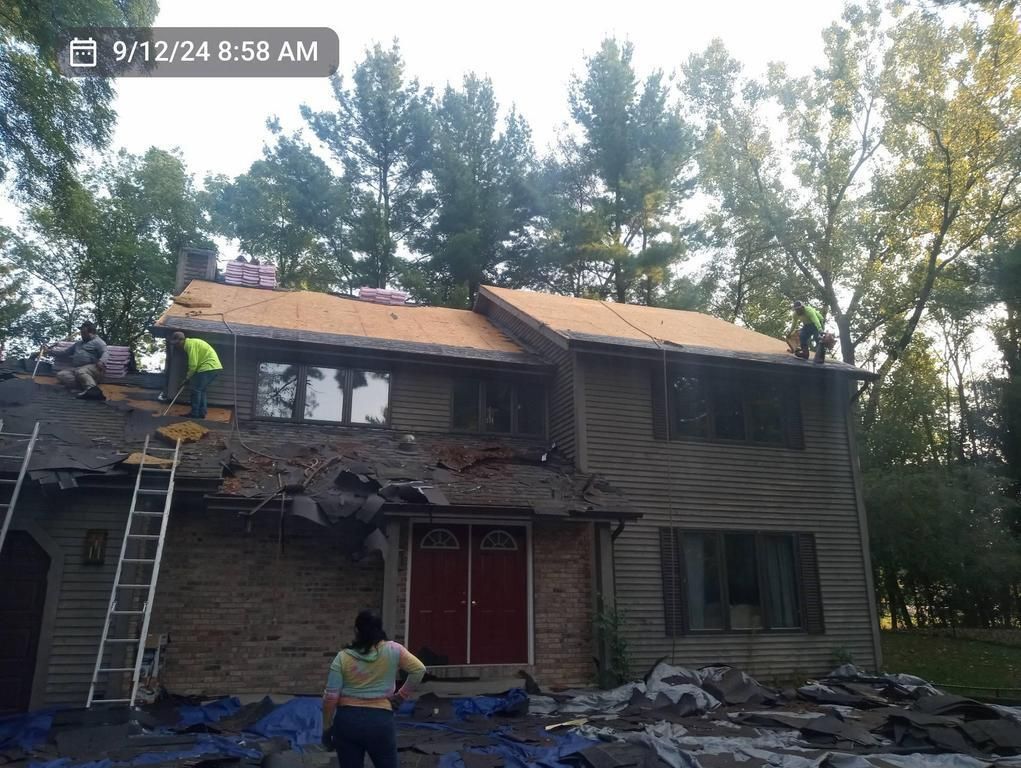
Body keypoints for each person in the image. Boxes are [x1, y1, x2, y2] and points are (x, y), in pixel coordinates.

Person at [322, 610, 426, 768]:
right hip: (380, 721)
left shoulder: (343, 657)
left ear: (356, 631)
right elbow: (419, 670)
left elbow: (330, 697)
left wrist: (327, 727)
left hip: (347, 722)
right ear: (380, 628)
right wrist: (401, 696)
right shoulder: (394, 650)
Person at [169, 331, 222, 419]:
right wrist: (189, 378)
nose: (177, 346)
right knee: (201, 390)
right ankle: (201, 413)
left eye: (177, 343)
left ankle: (195, 414)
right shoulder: (192, 342)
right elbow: (195, 366)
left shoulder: (189, 345)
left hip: (208, 367)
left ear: (182, 340)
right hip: (214, 368)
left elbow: (193, 365)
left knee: (196, 390)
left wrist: (187, 378)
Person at [51, 321, 109, 398]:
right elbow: (65, 352)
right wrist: (50, 352)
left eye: (84, 333)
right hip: (77, 368)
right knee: (61, 375)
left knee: (81, 371)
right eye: (81, 333)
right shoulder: (78, 344)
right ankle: (85, 386)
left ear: (91, 332)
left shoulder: (98, 342)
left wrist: (101, 361)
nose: (82, 335)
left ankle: (93, 391)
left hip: (94, 368)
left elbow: (105, 353)